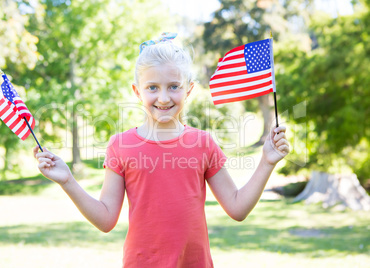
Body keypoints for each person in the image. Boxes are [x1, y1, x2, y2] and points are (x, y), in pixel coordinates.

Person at [33, 32, 290, 268]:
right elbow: (105, 219)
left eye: (173, 86)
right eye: (152, 88)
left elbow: (237, 208)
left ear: (188, 90)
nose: (164, 98)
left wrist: (267, 161)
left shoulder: (203, 143)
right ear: (137, 91)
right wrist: (67, 180)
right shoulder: (121, 146)